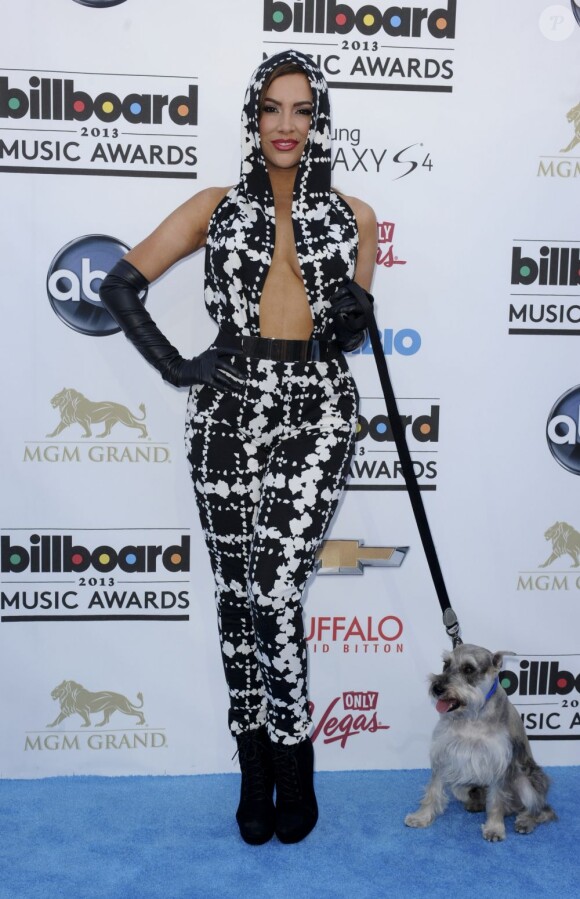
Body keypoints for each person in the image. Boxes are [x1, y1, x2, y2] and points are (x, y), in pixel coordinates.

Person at [99, 49, 376, 846]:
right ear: (253, 118)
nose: (286, 126)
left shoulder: (354, 216)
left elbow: (353, 323)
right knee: (234, 600)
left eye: (301, 110)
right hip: (226, 409)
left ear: (317, 120)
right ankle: (253, 769)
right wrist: (179, 366)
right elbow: (120, 283)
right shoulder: (214, 206)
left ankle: (295, 762)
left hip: (317, 408)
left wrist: (353, 315)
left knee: (273, 592)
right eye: (271, 110)